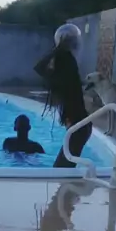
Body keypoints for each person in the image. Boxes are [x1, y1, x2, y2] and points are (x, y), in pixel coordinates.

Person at [34, 24, 91, 168]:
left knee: (63, 165)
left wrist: (57, 49)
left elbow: (39, 67)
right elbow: (39, 68)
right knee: (64, 165)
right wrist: (58, 49)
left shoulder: (65, 67)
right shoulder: (65, 65)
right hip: (78, 122)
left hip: (77, 122)